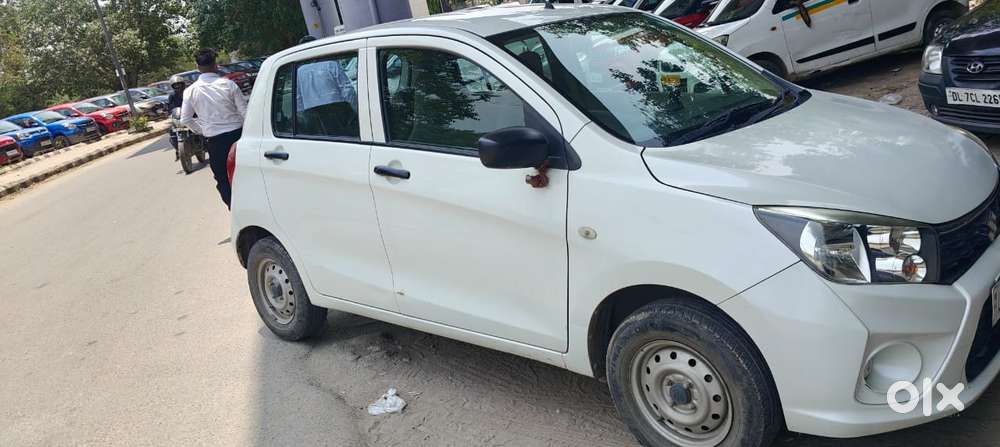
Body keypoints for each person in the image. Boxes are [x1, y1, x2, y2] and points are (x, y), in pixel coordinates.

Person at [180, 49, 248, 209]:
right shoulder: (229, 84)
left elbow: (185, 119)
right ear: (215, 65)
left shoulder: (190, 91)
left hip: (215, 142)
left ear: (197, 67)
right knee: (247, 174)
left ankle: (237, 212)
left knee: (224, 180)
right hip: (239, 138)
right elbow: (245, 113)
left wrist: (203, 130)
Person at [167, 75, 187, 156]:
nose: (178, 86)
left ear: (183, 84)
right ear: (173, 86)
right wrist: (169, 114)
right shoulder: (172, 96)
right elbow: (170, 107)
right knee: (171, 132)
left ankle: (205, 145)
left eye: (179, 84)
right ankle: (178, 150)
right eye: (175, 85)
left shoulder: (187, 92)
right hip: (178, 117)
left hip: (191, 116)